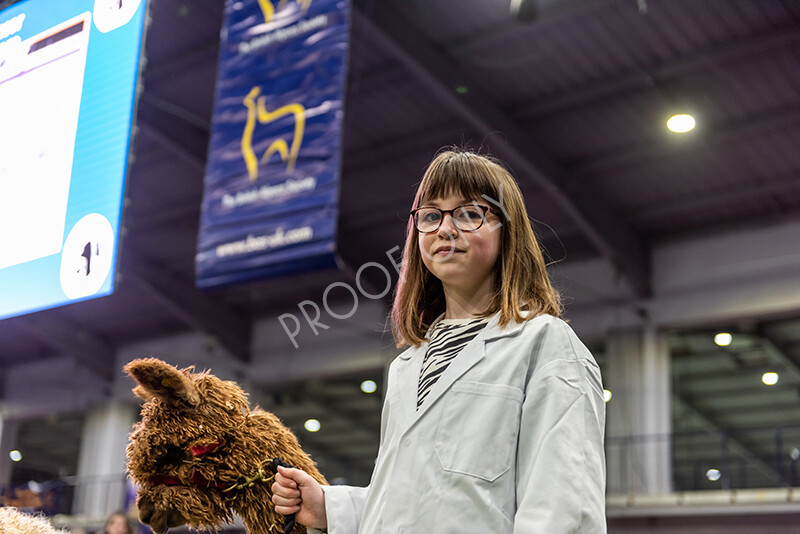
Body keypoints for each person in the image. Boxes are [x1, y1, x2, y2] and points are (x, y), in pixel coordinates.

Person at [272, 149, 607, 532]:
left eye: (469, 213)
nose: (445, 229)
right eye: (431, 216)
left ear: (507, 230)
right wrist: (330, 508)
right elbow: (415, 498)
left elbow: (564, 504)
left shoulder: (544, 344)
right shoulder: (406, 367)